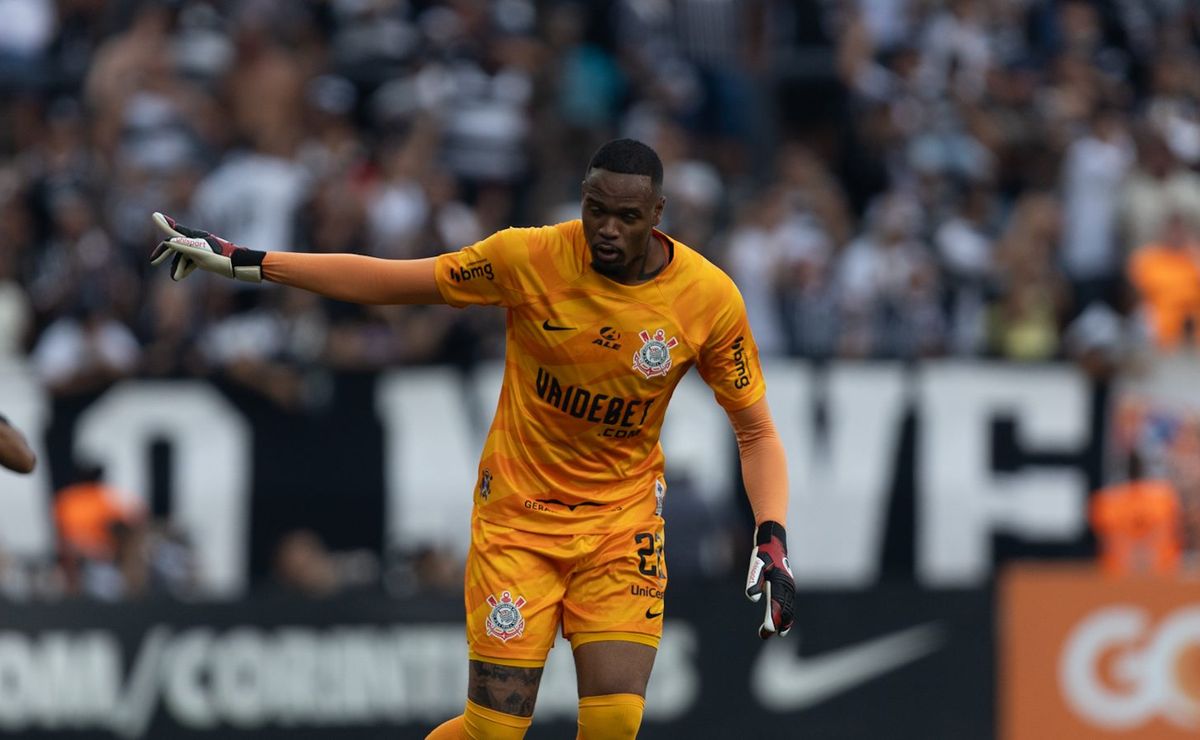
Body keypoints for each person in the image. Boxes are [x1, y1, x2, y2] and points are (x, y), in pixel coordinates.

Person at [150, 139, 794, 739]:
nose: (606, 228)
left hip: (621, 526)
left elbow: (757, 430)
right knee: (495, 731)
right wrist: (251, 262)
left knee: (616, 722)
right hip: (518, 520)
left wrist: (771, 538)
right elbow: (395, 280)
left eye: (627, 217)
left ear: (658, 214)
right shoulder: (529, 258)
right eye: (595, 209)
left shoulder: (708, 299)